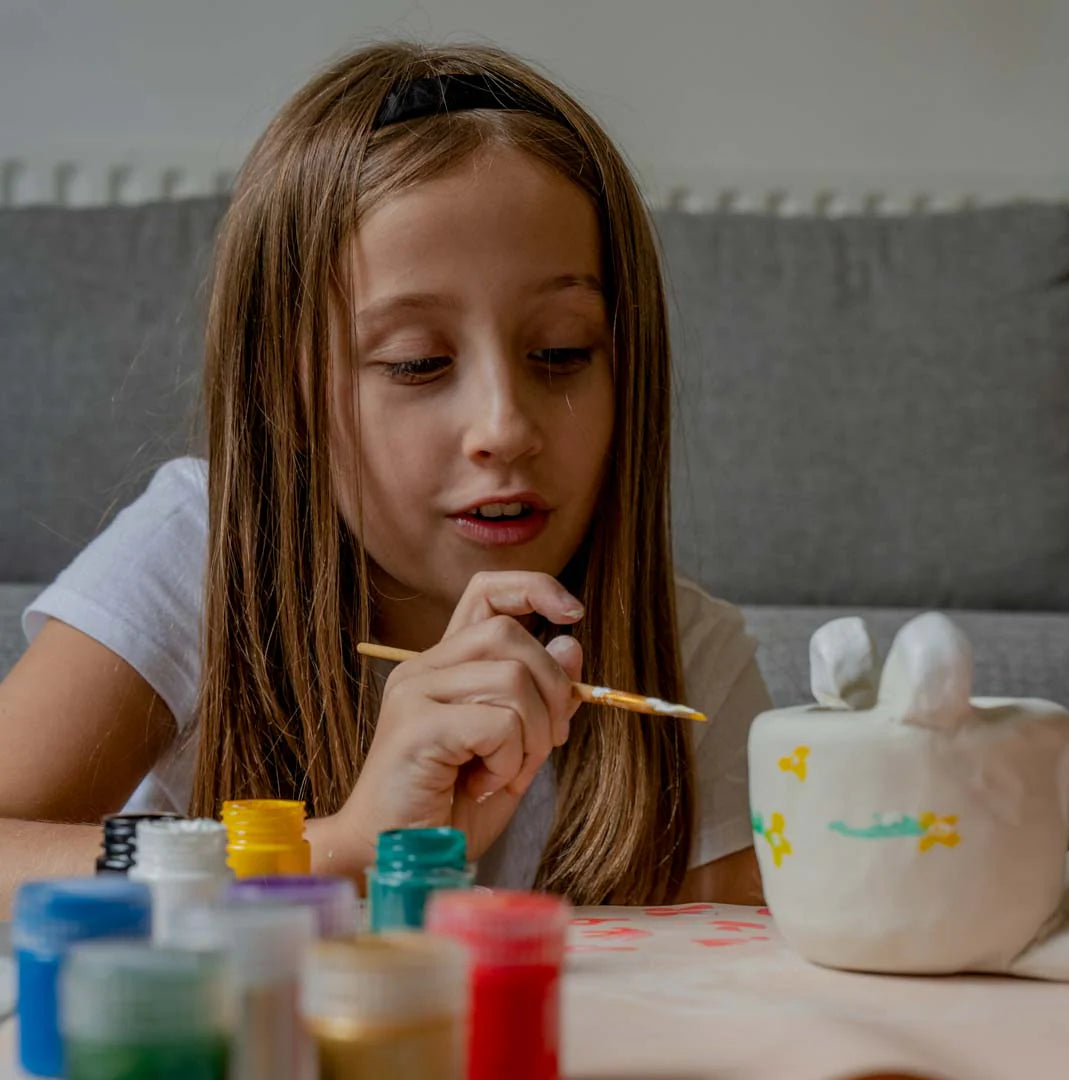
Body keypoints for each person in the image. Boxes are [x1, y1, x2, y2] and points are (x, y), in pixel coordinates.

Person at [0, 41, 771, 913]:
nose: (504, 427)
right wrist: (340, 849)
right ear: (285, 393)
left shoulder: (686, 653)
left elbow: (734, 995)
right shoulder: (199, 550)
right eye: (415, 363)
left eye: (560, 353)